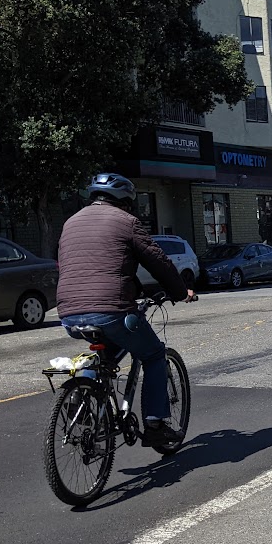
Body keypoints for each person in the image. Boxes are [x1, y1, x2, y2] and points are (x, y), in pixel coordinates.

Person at [56, 173, 196, 447]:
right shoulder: (126, 222)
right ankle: (155, 424)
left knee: (105, 356)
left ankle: (81, 394)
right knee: (154, 354)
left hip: (69, 313)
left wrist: (136, 289)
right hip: (112, 310)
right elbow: (158, 261)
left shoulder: (70, 223)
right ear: (125, 201)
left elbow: (102, 267)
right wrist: (180, 291)